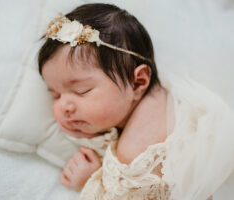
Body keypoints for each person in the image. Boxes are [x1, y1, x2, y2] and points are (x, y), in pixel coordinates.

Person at [38, 3, 234, 200]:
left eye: (82, 91)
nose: (64, 106)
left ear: (138, 81)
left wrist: (92, 180)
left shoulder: (133, 153)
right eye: (55, 95)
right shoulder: (164, 96)